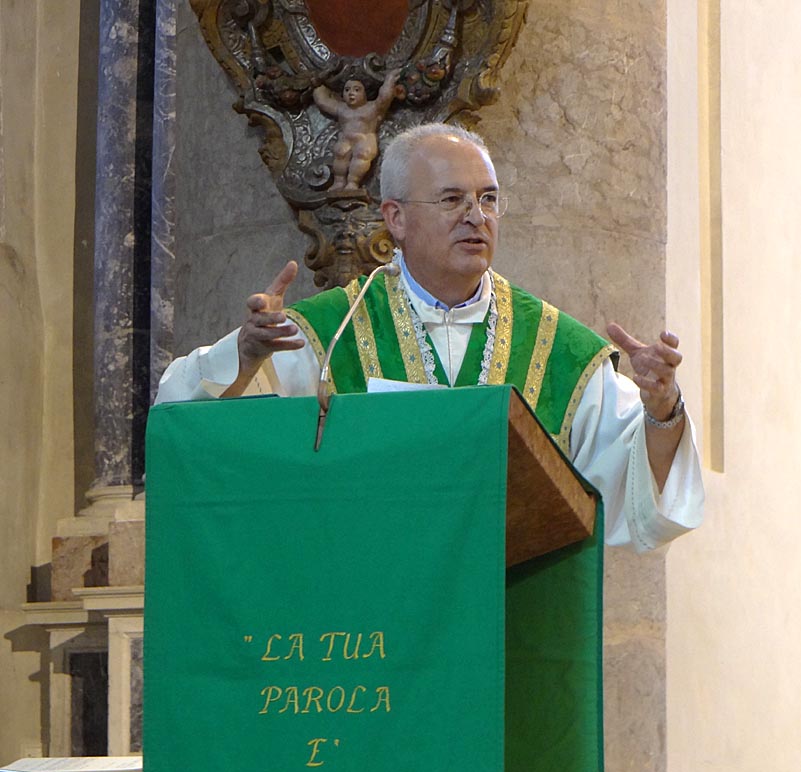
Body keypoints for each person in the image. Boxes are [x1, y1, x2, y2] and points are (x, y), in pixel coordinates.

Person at [155, 123, 703, 551]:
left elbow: (640, 495)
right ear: (395, 218)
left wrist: (663, 411)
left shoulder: (556, 347)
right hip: (369, 618)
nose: (476, 217)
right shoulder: (329, 333)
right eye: (451, 199)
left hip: (510, 610)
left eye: (489, 199)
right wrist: (245, 357)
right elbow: (190, 434)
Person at [313, 70, 400, 190]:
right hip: (345, 139)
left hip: (364, 139)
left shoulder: (372, 108)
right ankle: (339, 182)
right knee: (340, 155)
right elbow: (323, 102)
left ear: (365, 93)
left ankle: (353, 182)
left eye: (357, 90)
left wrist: (389, 80)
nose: (351, 93)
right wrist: (317, 85)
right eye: (347, 90)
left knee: (362, 155)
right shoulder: (341, 108)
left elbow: (384, 98)